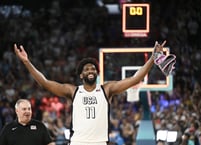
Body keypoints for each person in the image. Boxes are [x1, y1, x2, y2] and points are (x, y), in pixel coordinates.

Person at [13, 40, 166, 145]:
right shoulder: (73, 91)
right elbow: (44, 83)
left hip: (100, 142)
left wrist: (152, 58)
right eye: (86, 69)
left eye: (93, 68)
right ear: (81, 75)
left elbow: (135, 78)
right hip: (77, 142)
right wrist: (27, 62)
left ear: (97, 73)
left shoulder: (107, 89)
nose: (90, 70)